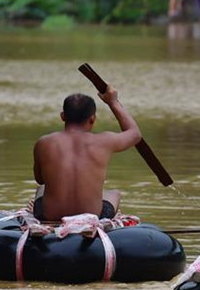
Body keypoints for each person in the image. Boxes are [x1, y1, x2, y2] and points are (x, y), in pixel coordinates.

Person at [31, 85, 142, 221]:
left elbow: (40, 179)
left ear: (63, 116)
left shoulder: (44, 142)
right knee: (114, 194)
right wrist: (113, 102)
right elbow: (135, 134)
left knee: (41, 189)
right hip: (91, 217)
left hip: (49, 216)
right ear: (92, 119)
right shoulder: (104, 141)